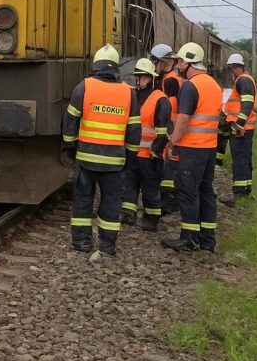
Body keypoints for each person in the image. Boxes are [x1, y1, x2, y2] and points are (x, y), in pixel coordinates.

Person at [62, 45, 141, 256]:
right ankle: (107, 245)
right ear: (116, 67)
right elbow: (134, 129)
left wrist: (70, 144)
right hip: (114, 162)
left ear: (95, 65)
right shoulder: (128, 92)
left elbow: (71, 120)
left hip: (86, 160)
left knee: (83, 200)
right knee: (111, 203)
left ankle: (82, 242)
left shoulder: (84, 87)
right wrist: (130, 155)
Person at [161, 42, 222, 253]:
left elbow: (183, 119)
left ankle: (188, 239)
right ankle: (207, 239)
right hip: (209, 149)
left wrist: (173, 144)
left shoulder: (190, 86)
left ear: (188, 62)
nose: (177, 65)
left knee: (187, 191)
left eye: (179, 61)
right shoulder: (213, 84)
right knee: (206, 191)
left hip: (192, 149)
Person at [120, 58, 170, 231]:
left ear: (150, 78)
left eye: (142, 77)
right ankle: (128, 214)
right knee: (129, 185)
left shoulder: (160, 99)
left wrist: (156, 152)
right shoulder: (132, 95)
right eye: (137, 76)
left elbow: (163, 132)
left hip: (150, 155)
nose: (138, 80)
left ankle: (151, 219)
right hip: (133, 153)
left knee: (150, 189)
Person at [221, 53, 257, 206]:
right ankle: (246, 191)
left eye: (231, 69)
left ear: (235, 68)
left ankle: (239, 195)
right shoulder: (246, 80)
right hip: (246, 127)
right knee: (245, 159)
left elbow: (247, 105)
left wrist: (239, 125)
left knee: (240, 160)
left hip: (241, 128)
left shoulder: (243, 80)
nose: (231, 72)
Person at [150, 43, 183, 214]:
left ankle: (169, 203)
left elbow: (170, 107)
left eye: (155, 62)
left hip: (172, 126)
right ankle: (170, 200)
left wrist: (168, 129)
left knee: (168, 165)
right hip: (175, 125)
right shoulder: (172, 78)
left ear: (162, 62)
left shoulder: (170, 80)